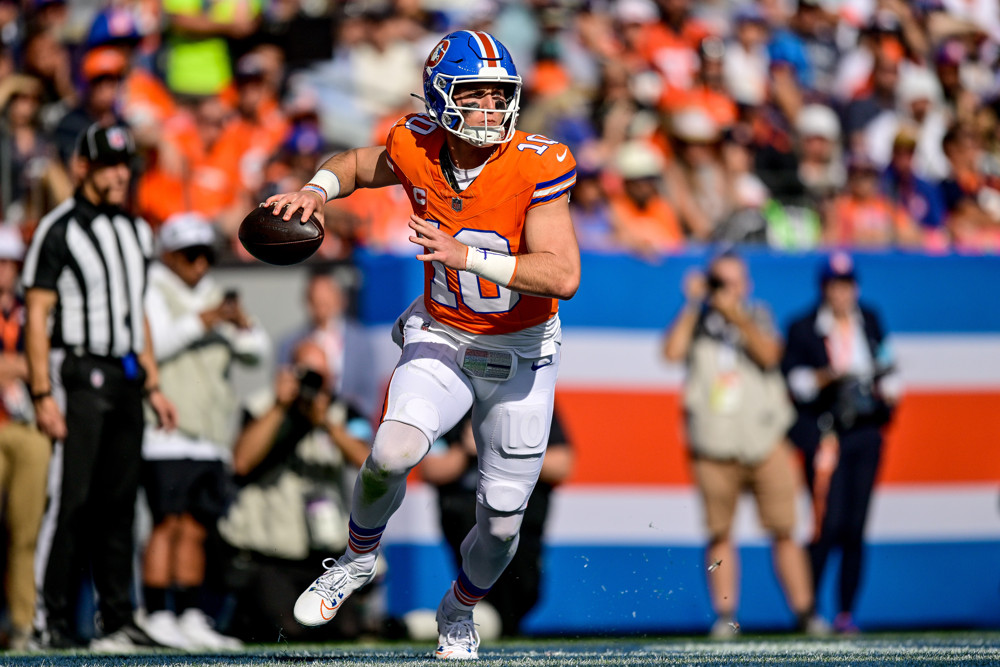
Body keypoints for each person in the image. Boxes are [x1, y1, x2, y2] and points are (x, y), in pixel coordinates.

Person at [266, 29, 580, 660]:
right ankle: (355, 559)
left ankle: (458, 607)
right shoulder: (415, 143)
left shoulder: (537, 162)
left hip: (521, 352)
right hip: (444, 332)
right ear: (442, 97)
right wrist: (314, 191)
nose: (493, 109)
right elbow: (355, 165)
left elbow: (563, 275)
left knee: (500, 520)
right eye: (477, 95)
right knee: (393, 446)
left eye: (500, 95)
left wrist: (463, 254)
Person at [22, 123, 177, 650]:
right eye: (108, 165)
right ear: (83, 167)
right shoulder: (58, 228)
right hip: (77, 373)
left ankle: (117, 617)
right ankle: (50, 618)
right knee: (71, 498)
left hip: (125, 375)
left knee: (118, 501)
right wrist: (42, 393)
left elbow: (137, 315)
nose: (118, 175)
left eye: (125, 166)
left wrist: (153, 384)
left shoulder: (136, 230)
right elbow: (37, 315)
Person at [661, 251, 825, 638]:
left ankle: (806, 613)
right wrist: (691, 304)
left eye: (734, 283)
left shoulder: (759, 315)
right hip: (713, 445)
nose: (727, 291)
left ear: (746, 285)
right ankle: (726, 618)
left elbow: (770, 354)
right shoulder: (697, 321)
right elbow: (671, 353)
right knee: (720, 533)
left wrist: (734, 312)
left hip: (765, 441)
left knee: (785, 528)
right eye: (720, 282)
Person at [140, 213, 269, 650]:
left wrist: (237, 323)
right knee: (167, 523)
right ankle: (157, 611)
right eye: (191, 255)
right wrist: (207, 319)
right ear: (171, 255)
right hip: (166, 429)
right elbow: (157, 342)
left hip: (210, 432)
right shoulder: (153, 289)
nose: (200, 265)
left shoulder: (214, 294)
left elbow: (257, 353)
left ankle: (191, 613)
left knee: (196, 527)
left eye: (206, 255)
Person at [220, 340, 374, 642]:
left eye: (320, 375)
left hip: (323, 557)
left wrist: (327, 424)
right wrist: (280, 407)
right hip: (271, 555)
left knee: (345, 632)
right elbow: (240, 461)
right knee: (286, 631)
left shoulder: (342, 412)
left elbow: (371, 461)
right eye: (306, 374)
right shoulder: (262, 406)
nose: (313, 384)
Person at [781, 252, 900, 635]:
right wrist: (826, 377)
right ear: (823, 289)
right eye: (834, 286)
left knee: (855, 526)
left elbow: (888, 364)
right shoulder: (804, 327)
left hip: (865, 432)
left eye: (847, 285)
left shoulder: (870, 321)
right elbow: (793, 382)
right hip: (827, 432)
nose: (841, 293)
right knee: (825, 524)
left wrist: (887, 390)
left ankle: (846, 612)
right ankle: (810, 608)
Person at [422, 407, 573, 638]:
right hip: (465, 519)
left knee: (523, 590)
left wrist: (505, 450)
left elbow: (562, 464)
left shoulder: (531, 401)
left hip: (523, 522)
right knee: (481, 583)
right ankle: (475, 623)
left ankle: (492, 625)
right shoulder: (453, 403)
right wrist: (467, 449)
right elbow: (432, 468)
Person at [0, 225, 50, 651]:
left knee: (26, 531)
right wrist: (22, 365)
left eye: (9, 261)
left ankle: (22, 621)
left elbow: (44, 363)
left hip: (27, 428)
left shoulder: (27, 309)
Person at [277, 270, 377, 420]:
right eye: (316, 303)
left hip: (349, 425)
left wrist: (338, 413)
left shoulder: (361, 341)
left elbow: (368, 398)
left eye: (326, 303)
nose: (321, 309)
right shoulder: (289, 343)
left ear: (340, 300)